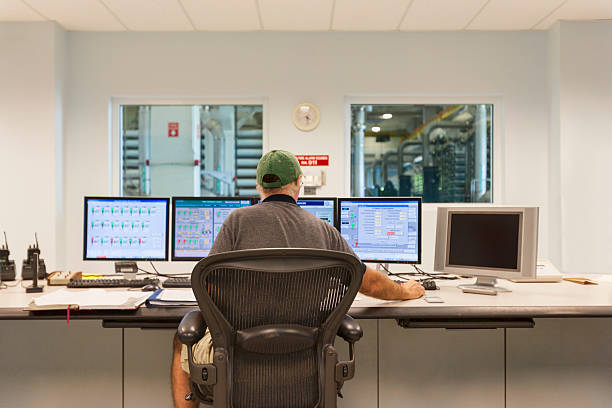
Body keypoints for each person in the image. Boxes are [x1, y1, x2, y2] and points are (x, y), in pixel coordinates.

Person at [171, 150, 425, 408]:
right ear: (298, 183)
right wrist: (404, 291)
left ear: (260, 186)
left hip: (236, 368)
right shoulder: (323, 229)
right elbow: (369, 283)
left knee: (183, 341)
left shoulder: (236, 221)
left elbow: (209, 288)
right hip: (308, 370)